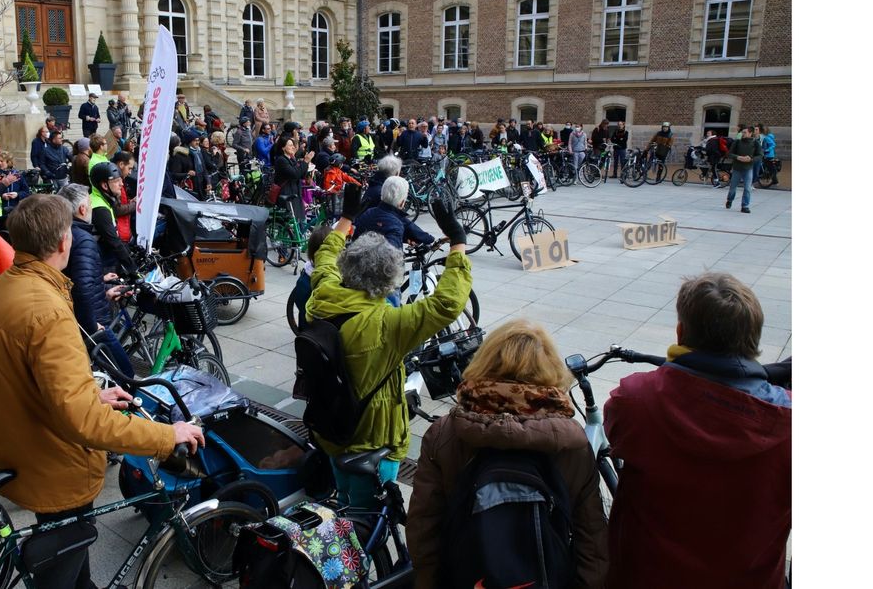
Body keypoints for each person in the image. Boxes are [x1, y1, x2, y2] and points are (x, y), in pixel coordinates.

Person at [0, 194, 205, 589]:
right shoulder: (46, 310)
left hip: (23, 449)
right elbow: (83, 422)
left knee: (70, 559)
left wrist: (89, 394)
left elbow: (27, 380)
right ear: (63, 242)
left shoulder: (2, 288)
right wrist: (167, 437)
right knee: (61, 564)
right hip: (54, 464)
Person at [604, 273, 790, 589]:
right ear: (754, 341)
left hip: (647, 577)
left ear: (680, 333)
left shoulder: (634, 399)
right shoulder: (790, 424)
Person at [407, 319, 609, 589]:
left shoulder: (446, 433)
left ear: (484, 361)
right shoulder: (570, 442)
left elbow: (424, 529)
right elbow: (592, 539)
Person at [306, 189, 471, 507]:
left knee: (343, 502)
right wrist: (457, 240)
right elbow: (447, 303)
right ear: (389, 278)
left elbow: (325, 257)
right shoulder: (389, 324)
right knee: (368, 519)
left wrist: (346, 218)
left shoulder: (323, 294)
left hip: (330, 429)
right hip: (373, 441)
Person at [58, 184, 135, 377]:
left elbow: (73, 279)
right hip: (91, 323)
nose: (91, 208)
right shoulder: (83, 239)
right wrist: (93, 325)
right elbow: (82, 288)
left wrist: (101, 283)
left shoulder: (69, 232)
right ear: (82, 209)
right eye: (90, 204)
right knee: (125, 375)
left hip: (77, 319)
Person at [352, 175, 434, 250]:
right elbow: (394, 260)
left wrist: (405, 238)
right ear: (402, 202)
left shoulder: (368, 213)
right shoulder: (397, 223)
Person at [89, 161, 138, 277]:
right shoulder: (99, 208)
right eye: (116, 181)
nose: (121, 184)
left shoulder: (102, 198)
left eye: (121, 179)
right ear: (105, 186)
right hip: (103, 260)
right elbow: (113, 241)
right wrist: (133, 268)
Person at [273, 132, 315, 235]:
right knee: (290, 221)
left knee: (299, 219)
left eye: (293, 145)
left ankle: (298, 239)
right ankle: (287, 241)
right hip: (287, 194)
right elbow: (295, 174)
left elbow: (300, 174)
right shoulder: (281, 160)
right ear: (283, 148)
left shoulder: (291, 159)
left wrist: (307, 166)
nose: (293, 147)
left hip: (295, 192)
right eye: (290, 145)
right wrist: (305, 161)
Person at [725, 125, 760, 213]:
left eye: (745, 132)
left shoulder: (755, 143)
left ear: (750, 133)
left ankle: (745, 206)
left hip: (748, 168)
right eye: (742, 132)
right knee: (733, 187)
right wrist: (738, 157)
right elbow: (729, 154)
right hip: (737, 167)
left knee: (747, 188)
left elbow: (760, 155)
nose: (742, 134)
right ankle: (730, 199)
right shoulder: (737, 142)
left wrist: (751, 159)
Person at [0, 151, 30, 230]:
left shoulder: (17, 175)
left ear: (8, 162)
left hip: (14, 212)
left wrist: (17, 194)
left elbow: (26, 192)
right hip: (0, 213)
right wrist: (2, 196)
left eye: (2, 161)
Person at [110, 151, 137, 242]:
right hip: (120, 234)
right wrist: (135, 204)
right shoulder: (113, 182)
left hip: (123, 230)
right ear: (121, 164)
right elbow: (117, 209)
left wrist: (130, 201)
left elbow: (120, 202)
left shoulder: (117, 179)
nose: (130, 172)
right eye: (129, 168)